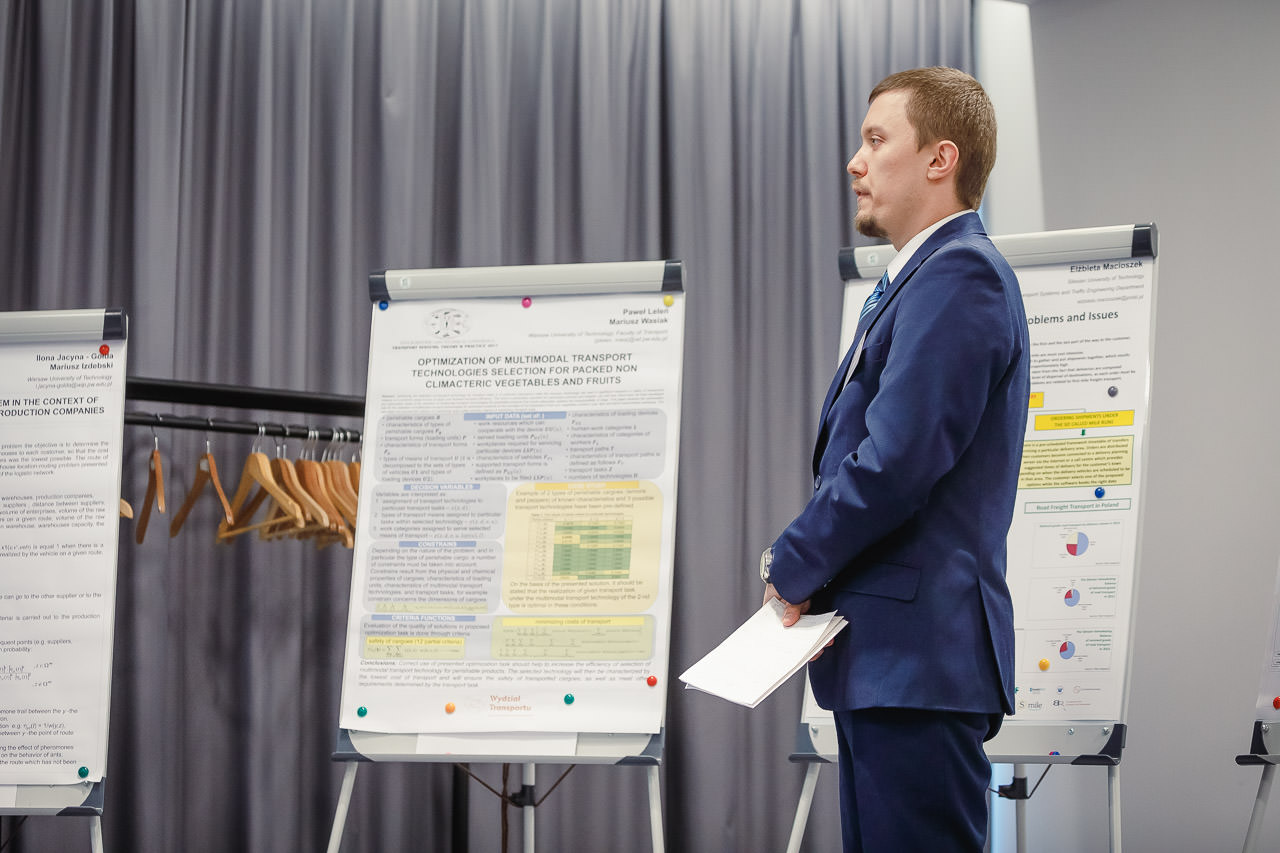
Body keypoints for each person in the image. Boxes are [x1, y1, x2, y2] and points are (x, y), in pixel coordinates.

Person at [760, 67, 1029, 852]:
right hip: (893, 664)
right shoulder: (919, 278)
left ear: (941, 159)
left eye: (877, 140)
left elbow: (895, 462)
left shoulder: (961, 275)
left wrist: (792, 562)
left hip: (919, 664)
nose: (856, 161)